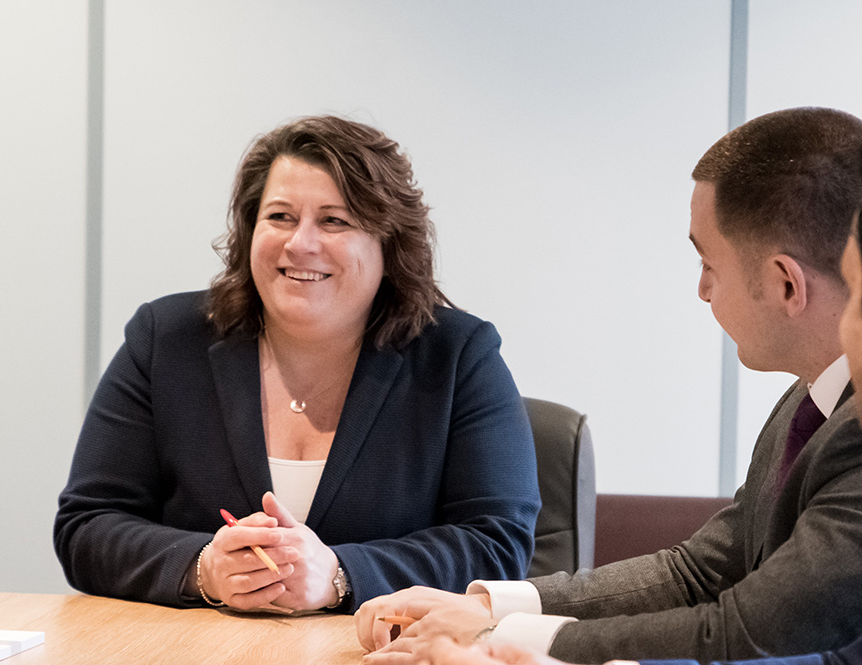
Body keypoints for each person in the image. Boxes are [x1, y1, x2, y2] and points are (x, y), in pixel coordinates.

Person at [357, 107, 862, 661]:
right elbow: (700, 571)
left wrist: (493, 640)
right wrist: (490, 610)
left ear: (787, 284)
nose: (702, 290)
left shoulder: (853, 434)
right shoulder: (807, 401)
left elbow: (744, 633)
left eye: (708, 264)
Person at [53, 115, 540, 614]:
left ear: (388, 245)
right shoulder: (165, 340)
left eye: (334, 221)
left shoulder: (458, 356)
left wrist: (340, 575)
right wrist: (205, 567)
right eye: (281, 217)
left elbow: (497, 546)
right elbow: (87, 525)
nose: (300, 243)